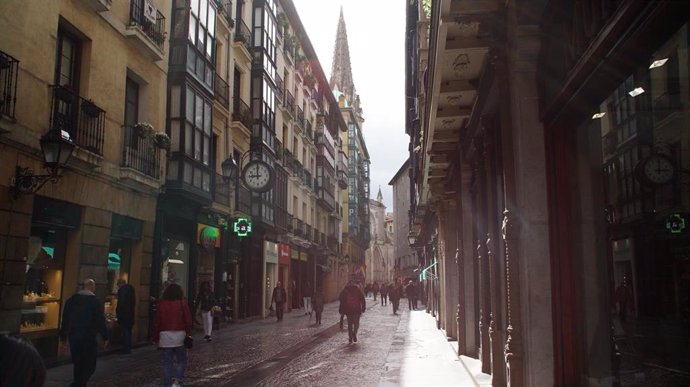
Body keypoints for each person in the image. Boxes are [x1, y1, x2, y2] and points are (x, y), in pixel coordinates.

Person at [59, 278, 109, 387]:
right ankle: (79, 384)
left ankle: (79, 383)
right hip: (88, 337)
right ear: (92, 287)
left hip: (74, 337)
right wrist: (105, 336)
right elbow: (100, 320)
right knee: (90, 364)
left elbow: (65, 319)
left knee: (78, 363)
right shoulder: (95, 302)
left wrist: (63, 337)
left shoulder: (71, 300)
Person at [152, 283, 192, 387]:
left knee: (167, 363)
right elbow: (188, 320)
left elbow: (157, 322)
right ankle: (177, 381)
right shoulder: (182, 303)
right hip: (179, 335)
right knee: (182, 360)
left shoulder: (162, 304)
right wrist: (189, 333)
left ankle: (167, 385)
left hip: (165, 336)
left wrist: (155, 337)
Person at [116, 278, 135, 354]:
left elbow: (121, 303)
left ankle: (125, 349)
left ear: (121, 284)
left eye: (118, 284)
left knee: (125, 331)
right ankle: (128, 347)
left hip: (124, 314)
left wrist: (118, 313)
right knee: (128, 331)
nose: (118, 286)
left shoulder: (122, 290)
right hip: (130, 314)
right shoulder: (131, 290)